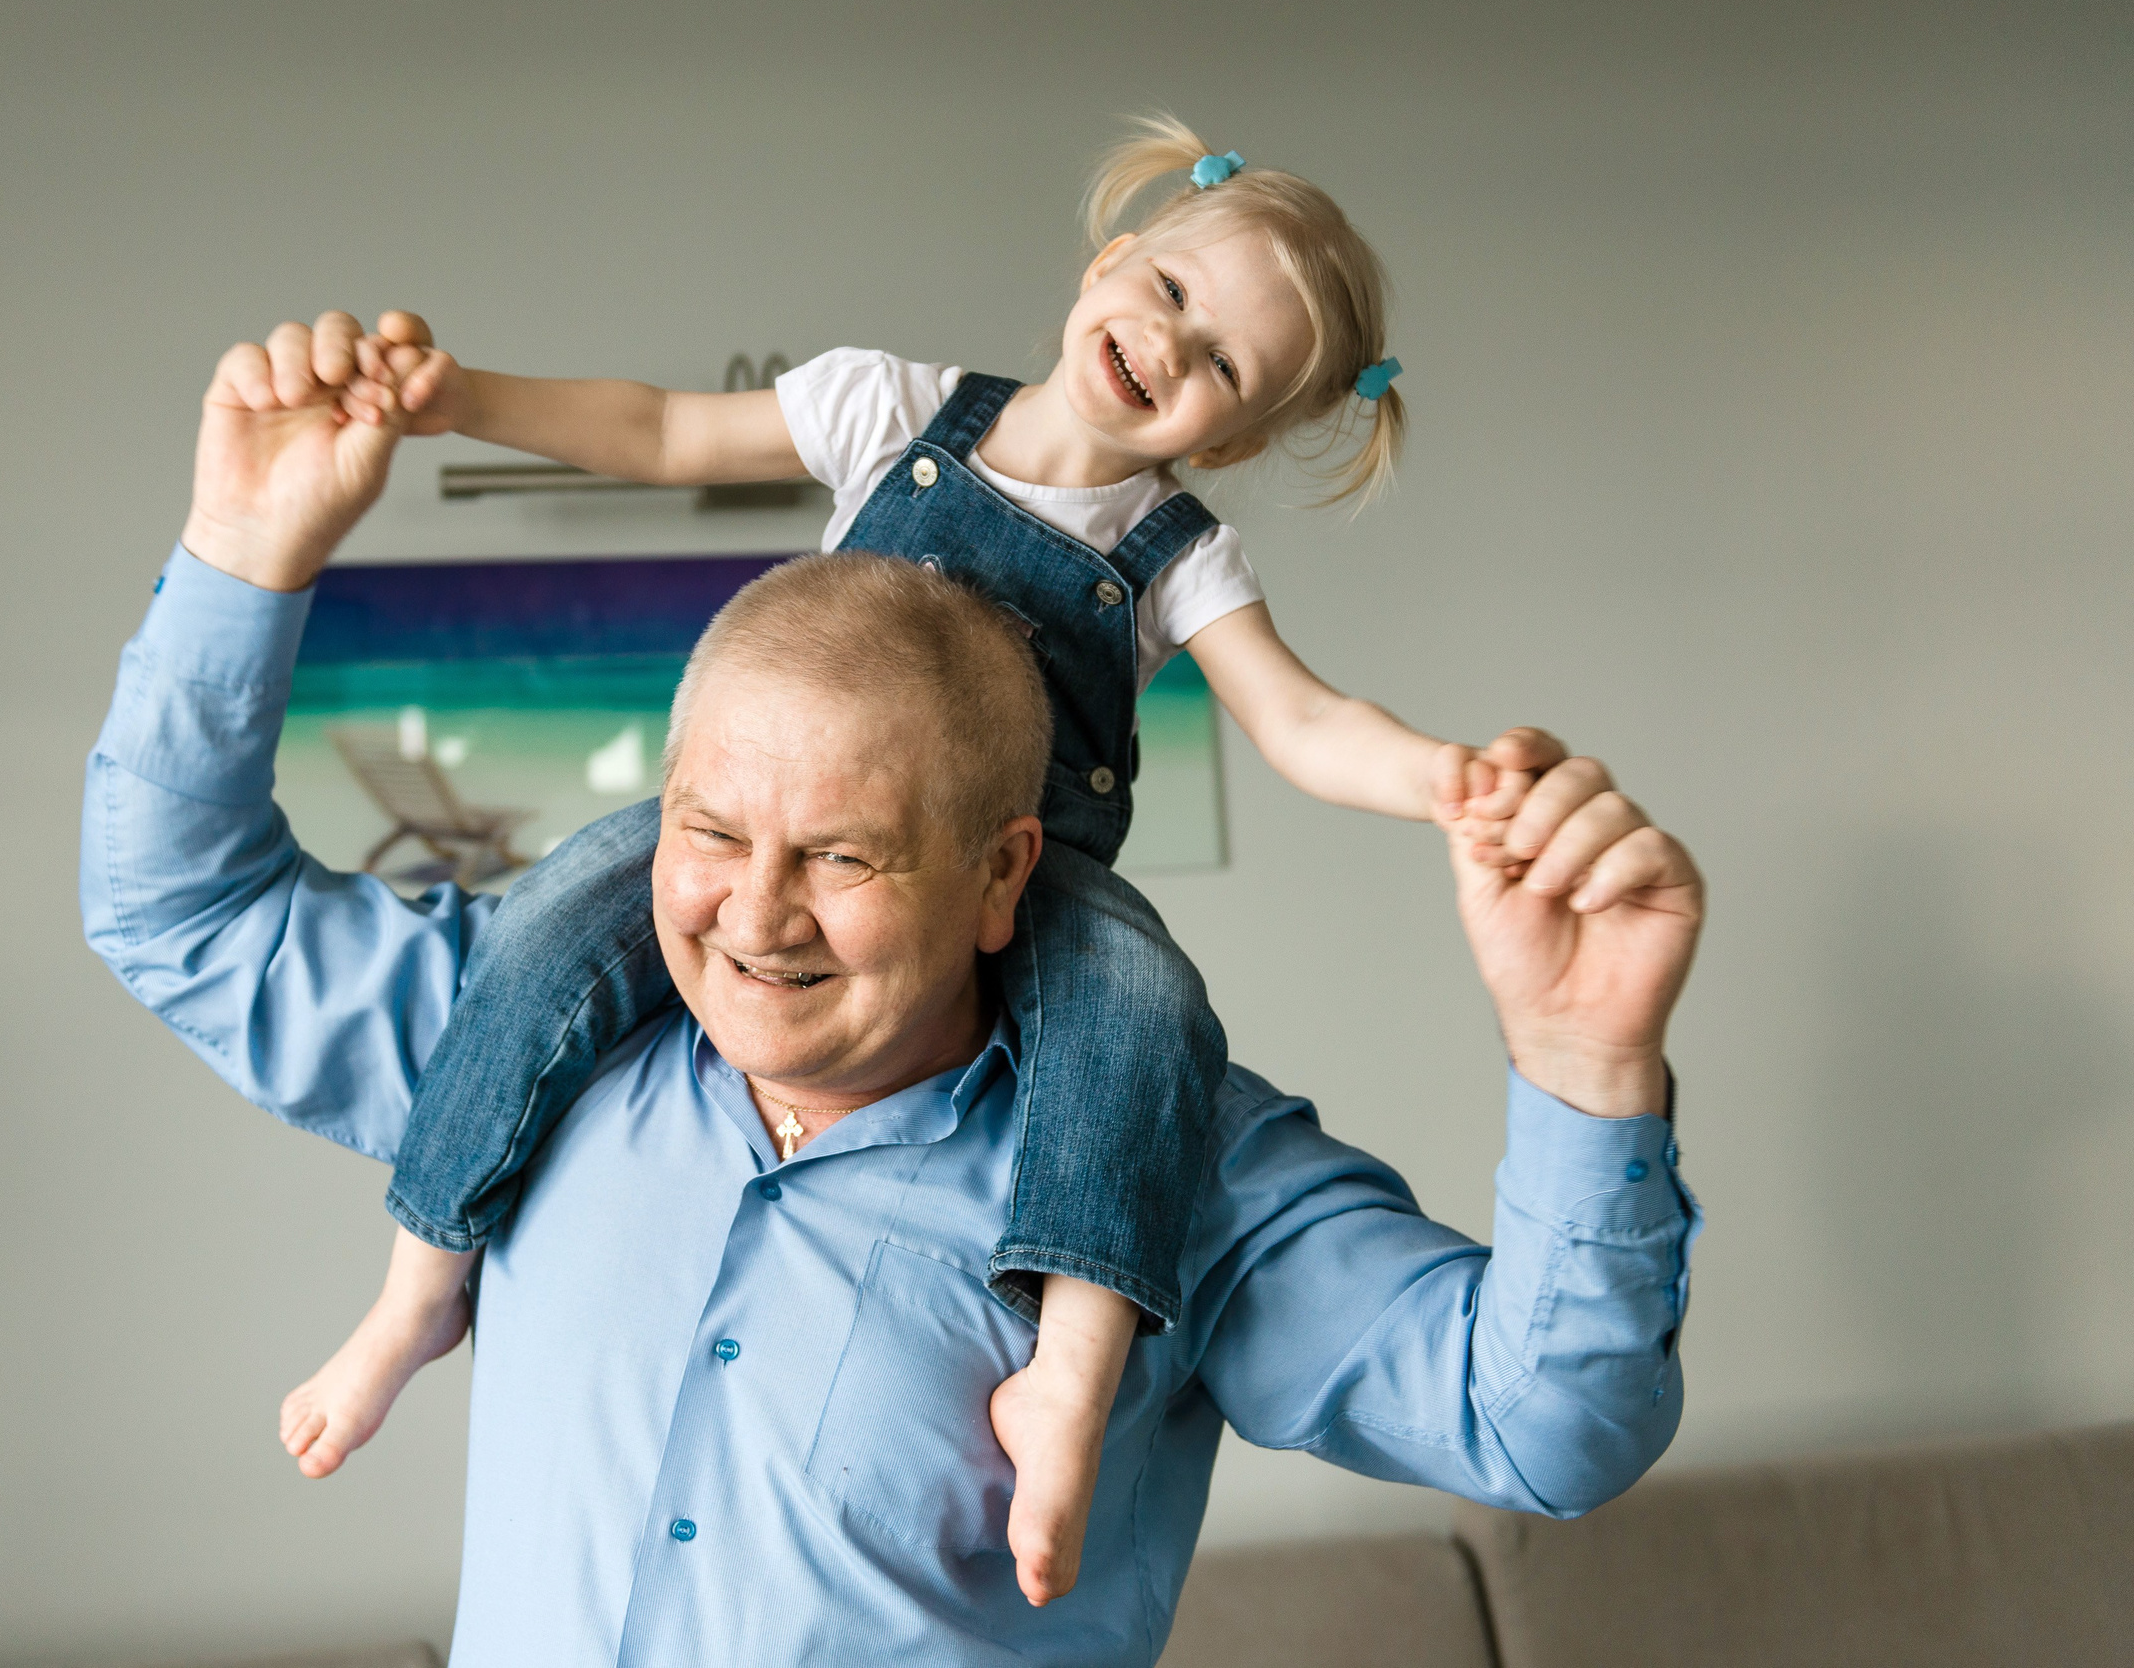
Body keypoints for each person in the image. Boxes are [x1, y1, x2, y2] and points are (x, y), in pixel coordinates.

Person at [82, 308, 1706, 1665]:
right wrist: (244, 548)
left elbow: (1543, 1426)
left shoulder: (1169, 1169)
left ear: (1007, 871)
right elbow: (174, 910)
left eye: (845, 858)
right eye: (710, 830)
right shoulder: (531, 1043)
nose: (754, 914)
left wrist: (1584, 1060)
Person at [265, 117, 1568, 1604]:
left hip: (1028, 869)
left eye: (1224, 369)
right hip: (802, 815)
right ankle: (418, 1288)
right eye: (1177, 296)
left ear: (1234, 436)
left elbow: (1302, 718)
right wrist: (455, 400)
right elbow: (664, 434)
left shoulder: (1177, 553)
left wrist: (1448, 783)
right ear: (1112, 260)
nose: (1174, 347)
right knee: (555, 917)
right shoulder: (897, 407)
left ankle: (1066, 1383)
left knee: (1146, 1020)